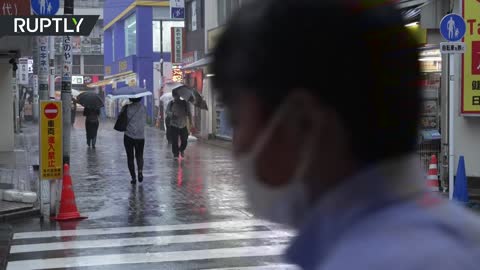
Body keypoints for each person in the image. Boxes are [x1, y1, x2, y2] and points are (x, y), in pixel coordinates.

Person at [212, 1, 480, 269]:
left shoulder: (359, 260)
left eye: (237, 119)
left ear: (301, 122)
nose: (237, 148)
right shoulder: (464, 236)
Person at [123, 98, 146, 184]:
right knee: (139, 155)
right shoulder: (143, 107)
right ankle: (140, 172)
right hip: (140, 136)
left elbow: (122, 119)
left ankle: (133, 178)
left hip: (128, 135)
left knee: (130, 157)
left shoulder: (126, 108)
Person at [166, 89, 192, 159]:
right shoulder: (171, 103)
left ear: (179, 95)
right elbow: (167, 112)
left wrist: (191, 122)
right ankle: (176, 154)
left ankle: (181, 149)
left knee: (184, 140)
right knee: (174, 140)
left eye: (177, 95)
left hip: (183, 124)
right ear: (173, 96)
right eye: (175, 95)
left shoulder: (185, 103)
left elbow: (189, 113)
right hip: (174, 125)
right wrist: (172, 114)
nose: (176, 97)